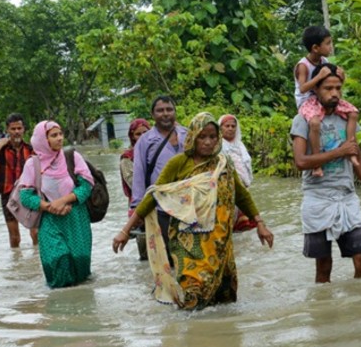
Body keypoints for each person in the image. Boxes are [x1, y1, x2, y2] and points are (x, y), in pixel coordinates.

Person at [112, 112, 275, 310]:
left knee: (224, 300)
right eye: (202, 137)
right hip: (189, 244)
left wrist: (260, 224)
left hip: (220, 242)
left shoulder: (224, 164)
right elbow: (154, 196)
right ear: (192, 137)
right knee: (193, 298)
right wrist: (125, 230)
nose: (208, 142)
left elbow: (241, 195)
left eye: (212, 137)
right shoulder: (179, 163)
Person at [291, 64, 361, 283]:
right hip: (317, 198)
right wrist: (339, 152)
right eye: (328, 88)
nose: (334, 93)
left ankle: (359, 302)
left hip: (346, 197)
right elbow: (300, 162)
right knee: (324, 266)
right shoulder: (303, 119)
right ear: (316, 89)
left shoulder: (346, 117)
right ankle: (325, 304)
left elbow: (357, 159)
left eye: (338, 88)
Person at [19, 121, 95, 288]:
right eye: (54, 135)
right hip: (49, 220)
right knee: (58, 260)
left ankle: (81, 302)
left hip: (76, 217)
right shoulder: (33, 164)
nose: (60, 138)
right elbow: (25, 196)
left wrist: (63, 201)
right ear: (42, 139)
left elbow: (86, 186)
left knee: (80, 261)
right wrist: (49, 207)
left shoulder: (72, 157)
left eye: (60, 134)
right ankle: (58, 303)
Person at [294, 25, 360, 177]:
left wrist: (342, 76)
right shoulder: (303, 66)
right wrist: (319, 76)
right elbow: (302, 88)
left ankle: (350, 148)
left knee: (353, 113)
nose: (331, 47)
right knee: (315, 123)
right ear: (315, 48)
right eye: (328, 43)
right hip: (307, 101)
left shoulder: (324, 61)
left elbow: (333, 81)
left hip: (323, 98)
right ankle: (317, 164)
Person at [130, 95, 189, 257]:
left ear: (175, 112)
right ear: (153, 114)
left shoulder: (187, 135)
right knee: (168, 256)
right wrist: (137, 207)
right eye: (160, 110)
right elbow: (139, 174)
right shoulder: (145, 141)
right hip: (161, 207)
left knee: (191, 255)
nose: (165, 114)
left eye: (169, 110)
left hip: (189, 204)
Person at [0, 113, 39, 248]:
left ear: (24, 129)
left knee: (35, 232)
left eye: (19, 128)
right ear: (7, 130)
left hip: (28, 194)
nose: (16, 132)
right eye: (13, 129)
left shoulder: (30, 149)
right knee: (14, 237)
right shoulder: (0, 148)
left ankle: (37, 257)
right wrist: (0, 145)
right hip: (8, 195)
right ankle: (16, 257)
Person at [119, 118, 151, 260]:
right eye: (138, 134)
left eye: (146, 133)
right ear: (132, 137)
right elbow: (134, 183)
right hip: (140, 208)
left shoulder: (159, 152)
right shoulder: (127, 158)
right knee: (146, 255)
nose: (143, 137)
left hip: (162, 204)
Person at [219, 113, 256, 232]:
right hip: (227, 189)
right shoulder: (218, 146)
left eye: (233, 126)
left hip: (243, 189)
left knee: (243, 228)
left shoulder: (240, 145)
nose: (230, 129)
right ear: (220, 128)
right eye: (227, 126)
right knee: (227, 224)